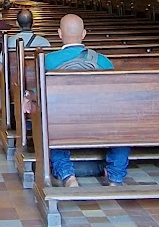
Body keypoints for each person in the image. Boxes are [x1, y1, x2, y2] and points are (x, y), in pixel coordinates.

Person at [45, 13, 128, 190]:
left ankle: (68, 176)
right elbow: (116, 93)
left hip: (64, 123)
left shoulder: (48, 60)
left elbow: (39, 91)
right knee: (125, 127)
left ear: (59, 33)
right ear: (83, 34)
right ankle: (116, 176)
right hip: (100, 122)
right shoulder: (102, 60)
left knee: (49, 126)